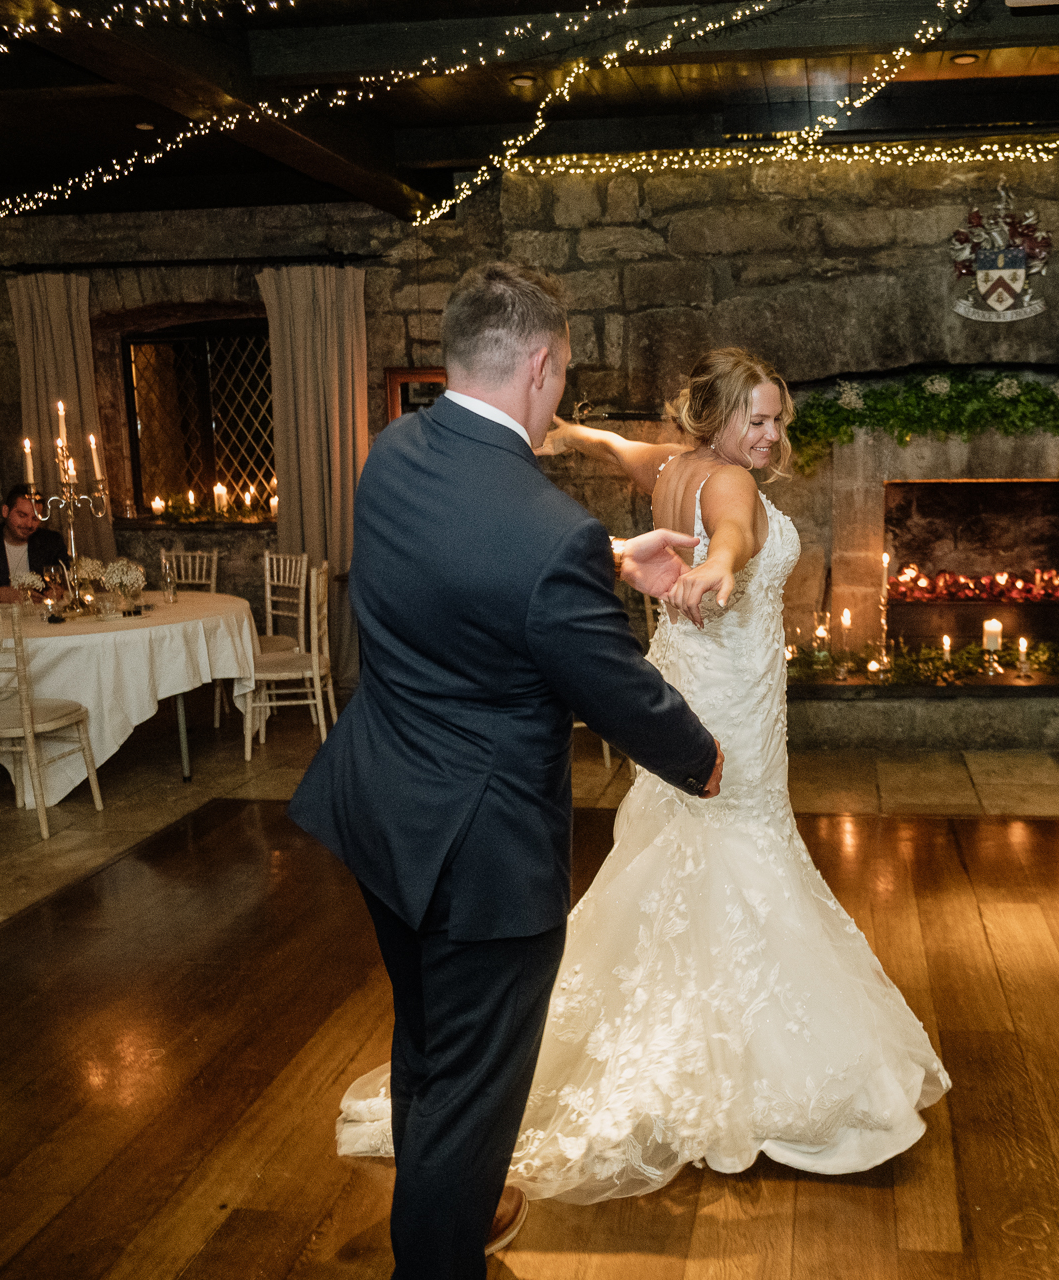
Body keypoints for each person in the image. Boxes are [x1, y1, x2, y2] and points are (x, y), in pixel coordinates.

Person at [336, 349, 949, 1203]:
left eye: (778, 420)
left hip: (683, 680)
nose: (771, 436)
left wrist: (559, 431)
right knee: (741, 844)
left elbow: (606, 446)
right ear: (718, 419)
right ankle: (742, 1062)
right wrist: (721, 564)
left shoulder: (668, 465)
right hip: (726, 704)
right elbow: (733, 531)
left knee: (678, 849)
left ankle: (668, 1016)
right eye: (757, 420)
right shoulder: (727, 484)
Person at [289, 261, 724, 1278]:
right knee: (477, 1079)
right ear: (537, 364)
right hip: (480, 851)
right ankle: (439, 1256)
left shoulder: (392, 452)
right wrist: (708, 760)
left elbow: (461, 568)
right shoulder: (545, 533)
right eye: (564, 370)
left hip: (381, 809)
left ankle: (463, 1205)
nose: (562, 389)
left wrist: (606, 558)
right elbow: (618, 690)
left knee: (430, 1039)